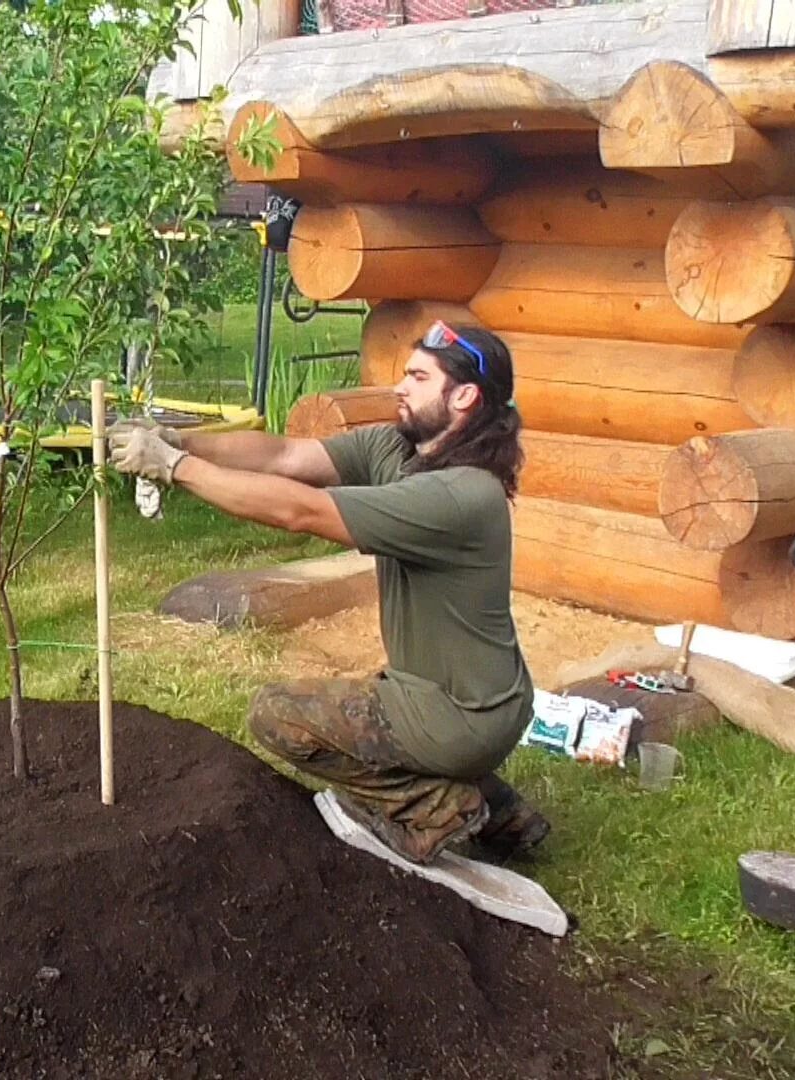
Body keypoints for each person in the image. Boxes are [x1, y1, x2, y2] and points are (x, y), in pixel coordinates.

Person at [109, 322, 548, 864]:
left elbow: (302, 510)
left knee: (279, 715)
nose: (400, 387)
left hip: (463, 716)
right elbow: (286, 458)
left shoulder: (460, 496)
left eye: (417, 377)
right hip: (473, 700)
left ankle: (440, 808)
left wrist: (177, 468)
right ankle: (501, 810)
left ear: (463, 397)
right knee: (368, 702)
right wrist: (180, 440)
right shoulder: (402, 450)